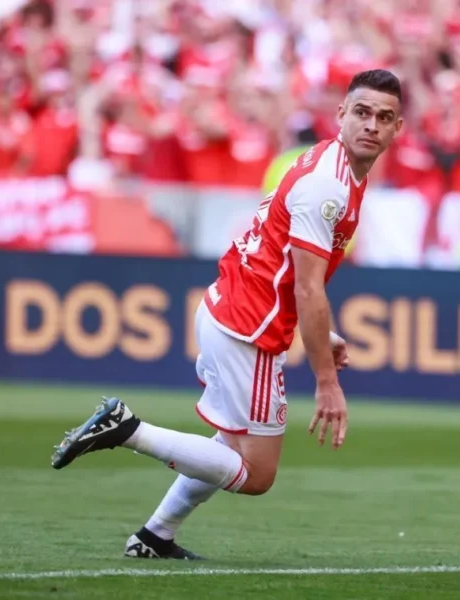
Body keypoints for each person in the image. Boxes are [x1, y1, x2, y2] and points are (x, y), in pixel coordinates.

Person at [49, 69, 404, 560]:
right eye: (362, 112)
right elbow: (306, 286)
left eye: (384, 118)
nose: (371, 125)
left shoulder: (333, 164)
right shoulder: (329, 186)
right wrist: (327, 380)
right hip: (249, 329)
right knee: (256, 474)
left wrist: (326, 332)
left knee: (225, 448)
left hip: (233, 308)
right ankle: (127, 428)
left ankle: (156, 535)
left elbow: (285, 266)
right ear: (341, 114)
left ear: (397, 128)